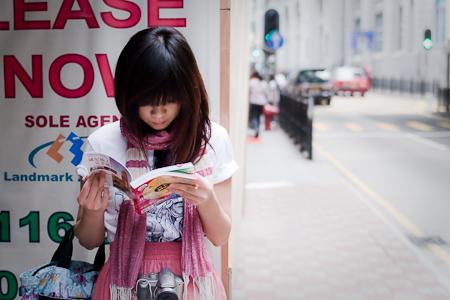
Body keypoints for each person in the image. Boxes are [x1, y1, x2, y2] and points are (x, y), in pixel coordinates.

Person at [73, 26, 238, 300]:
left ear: (187, 92)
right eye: (147, 102)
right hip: (121, 285)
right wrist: (91, 211)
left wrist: (207, 199)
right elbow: (88, 241)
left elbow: (220, 236)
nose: (158, 113)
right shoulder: (103, 143)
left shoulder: (213, 139)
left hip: (194, 283)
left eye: (169, 102)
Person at [248, 71, 268, 137]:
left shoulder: (251, 82)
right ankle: (257, 128)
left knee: (254, 116)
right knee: (258, 116)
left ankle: (256, 128)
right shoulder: (263, 83)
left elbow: (249, 92)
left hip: (253, 101)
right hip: (261, 102)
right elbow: (265, 93)